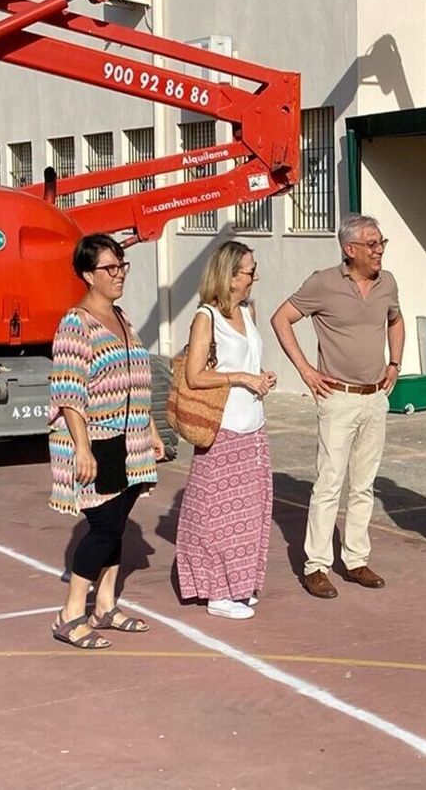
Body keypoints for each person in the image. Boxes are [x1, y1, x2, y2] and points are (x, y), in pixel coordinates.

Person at [271, 214, 404, 599]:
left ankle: (357, 559)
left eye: (382, 243)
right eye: (372, 244)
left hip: (374, 397)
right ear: (350, 249)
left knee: (364, 485)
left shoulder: (387, 283)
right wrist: (306, 371)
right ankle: (316, 565)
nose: (379, 250)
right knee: (329, 484)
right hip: (337, 397)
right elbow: (282, 318)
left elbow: (395, 320)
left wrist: (395, 363)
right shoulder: (323, 283)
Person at [47, 233, 164, 649]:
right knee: (105, 526)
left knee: (116, 526)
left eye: (122, 266)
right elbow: (68, 390)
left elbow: (134, 378)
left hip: (130, 438)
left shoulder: (122, 317)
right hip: (97, 439)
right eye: (109, 269)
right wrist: (82, 447)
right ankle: (70, 613)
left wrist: (150, 432)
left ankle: (106, 605)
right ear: (86, 274)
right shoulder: (75, 323)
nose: (119, 275)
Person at [174, 241, 278, 620]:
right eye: (249, 270)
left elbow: (249, 358)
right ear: (231, 276)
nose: (255, 277)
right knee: (217, 514)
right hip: (223, 428)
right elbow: (195, 374)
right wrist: (241, 378)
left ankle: (238, 584)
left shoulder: (247, 311)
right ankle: (216, 591)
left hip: (253, 426)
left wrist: (261, 376)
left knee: (250, 512)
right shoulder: (207, 317)